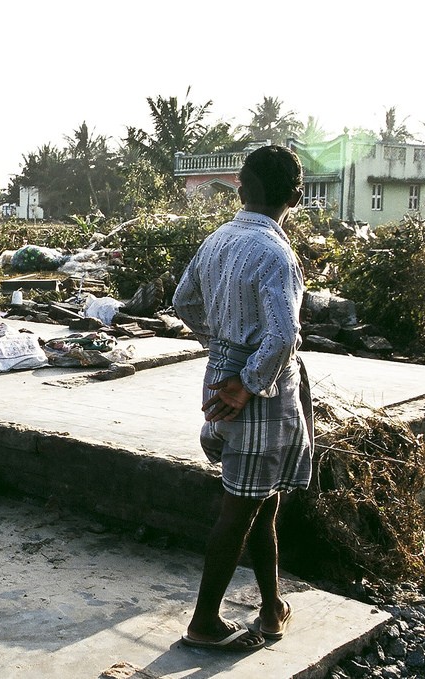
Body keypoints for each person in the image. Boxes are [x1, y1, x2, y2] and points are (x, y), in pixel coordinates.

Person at [172, 145, 313, 652]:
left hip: (223, 381)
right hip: (258, 396)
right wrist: (248, 379)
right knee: (240, 508)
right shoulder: (277, 254)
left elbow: (183, 301)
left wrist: (222, 348)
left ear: (242, 188)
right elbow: (282, 334)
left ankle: (272, 607)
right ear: (295, 195)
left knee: (261, 500)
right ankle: (204, 622)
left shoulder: (219, 240)